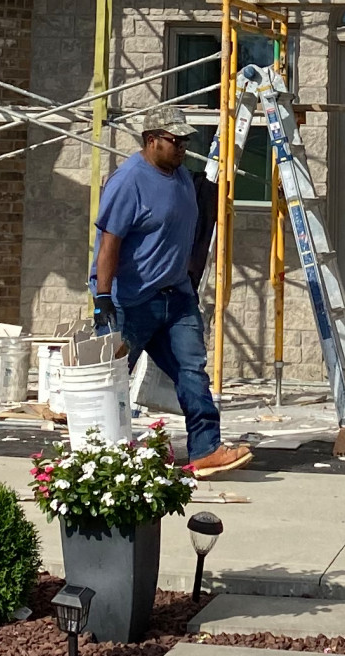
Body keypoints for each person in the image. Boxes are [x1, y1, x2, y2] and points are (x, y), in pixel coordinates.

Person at [91, 118, 251, 476]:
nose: (181, 147)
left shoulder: (180, 178)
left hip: (176, 298)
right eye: (173, 140)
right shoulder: (128, 181)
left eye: (184, 141)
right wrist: (103, 297)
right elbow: (109, 243)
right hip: (130, 302)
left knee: (192, 371)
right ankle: (101, 455)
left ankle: (206, 449)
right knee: (113, 379)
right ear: (151, 140)